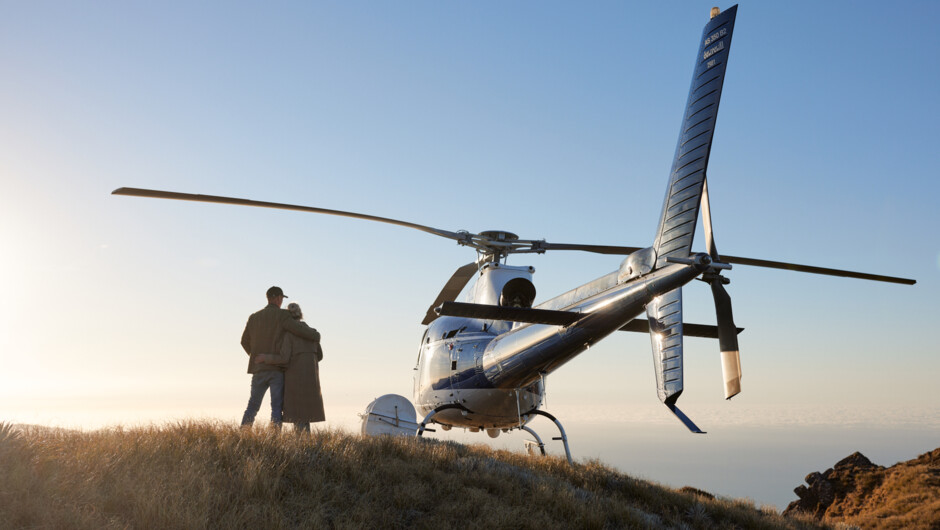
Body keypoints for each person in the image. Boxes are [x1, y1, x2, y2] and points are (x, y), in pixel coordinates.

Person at [240, 286, 320, 429]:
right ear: (277, 298)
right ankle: (274, 437)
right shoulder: (283, 316)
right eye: (282, 298)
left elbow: (244, 341)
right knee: (276, 408)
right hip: (276, 369)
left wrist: (256, 357)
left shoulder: (253, 317)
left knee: (252, 406)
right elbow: (298, 329)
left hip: (258, 369)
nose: (282, 301)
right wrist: (315, 335)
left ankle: (243, 433)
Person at [256, 302, 325, 433]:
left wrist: (265, 358)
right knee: (306, 417)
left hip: (294, 380)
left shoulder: (288, 335)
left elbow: (283, 358)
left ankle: (300, 449)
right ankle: (307, 448)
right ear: (301, 315)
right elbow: (320, 356)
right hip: (311, 381)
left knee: (298, 416)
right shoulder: (313, 334)